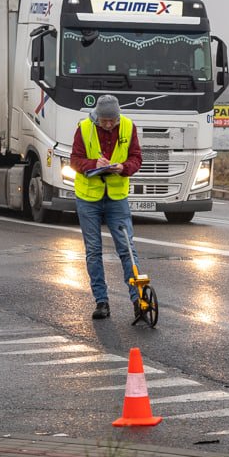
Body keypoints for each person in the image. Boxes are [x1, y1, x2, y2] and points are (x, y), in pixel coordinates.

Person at [70, 94, 143, 320]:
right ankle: (101, 302)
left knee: (126, 247)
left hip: (116, 197)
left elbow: (137, 158)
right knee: (93, 251)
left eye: (112, 120)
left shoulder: (128, 127)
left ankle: (139, 300)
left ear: (118, 116)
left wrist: (123, 167)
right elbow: (74, 160)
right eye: (104, 120)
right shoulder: (83, 128)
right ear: (97, 116)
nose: (109, 124)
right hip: (88, 197)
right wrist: (93, 165)